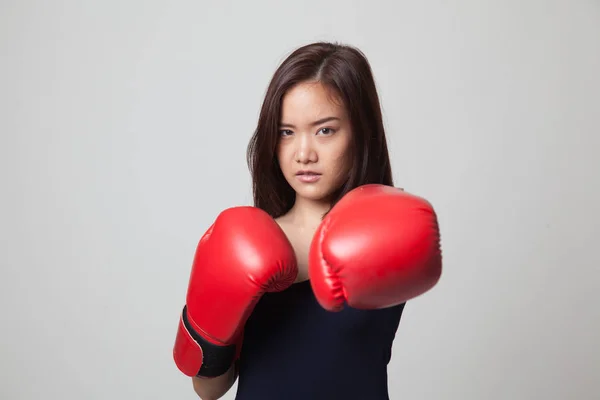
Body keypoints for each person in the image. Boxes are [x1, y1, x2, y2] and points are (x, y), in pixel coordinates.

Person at [173, 41, 442, 400]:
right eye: (286, 132)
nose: (303, 153)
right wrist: (210, 331)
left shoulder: (389, 230)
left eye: (325, 130)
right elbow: (208, 390)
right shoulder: (242, 243)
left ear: (360, 132)